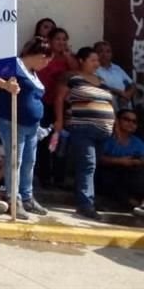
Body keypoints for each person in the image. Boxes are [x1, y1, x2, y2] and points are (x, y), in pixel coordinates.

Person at [0, 36, 52, 219]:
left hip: (31, 125)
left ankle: (27, 196)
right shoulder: (14, 65)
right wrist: (6, 85)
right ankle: (13, 198)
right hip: (12, 121)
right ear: (40, 56)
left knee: (29, 162)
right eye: (46, 61)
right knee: (16, 161)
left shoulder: (32, 73)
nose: (46, 65)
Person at [55, 46, 116, 221]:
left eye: (98, 60)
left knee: (94, 165)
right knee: (87, 164)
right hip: (83, 128)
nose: (97, 63)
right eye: (93, 60)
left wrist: (115, 125)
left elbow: (110, 104)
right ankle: (85, 204)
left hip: (104, 130)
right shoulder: (72, 77)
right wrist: (59, 121)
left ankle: (90, 199)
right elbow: (59, 98)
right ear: (82, 61)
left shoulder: (100, 80)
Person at [36, 27, 78, 187]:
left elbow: (76, 72)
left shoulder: (68, 59)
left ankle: (58, 176)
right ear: (50, 41)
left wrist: (67, 55)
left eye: (64, 39)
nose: (61, 42)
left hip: (61, 107)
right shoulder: (43, 56)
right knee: (43, 140)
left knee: (58, 141)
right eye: (58, 39)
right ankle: (44, 175)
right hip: (43, 103)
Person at [97, 109, 144, 217]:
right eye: (126, 119)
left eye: (134, 121)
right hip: (107, 173)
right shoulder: (107, 138)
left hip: (130, 176)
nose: (131, 123)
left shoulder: (137, 142)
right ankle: (134, 204)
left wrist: (136, 161)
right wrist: (120, 161)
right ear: (117, 121)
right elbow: (98, 158)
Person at [95, 40, 134, 111]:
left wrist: (127, 95)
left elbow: (132, 84)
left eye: (108, 51)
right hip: (107, 106)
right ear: (95, 54)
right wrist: (120, 92)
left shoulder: (117, 68)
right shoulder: (94, 69)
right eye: (101, 51)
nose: (104, 54)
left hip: (124, 103)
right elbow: (99, 86)